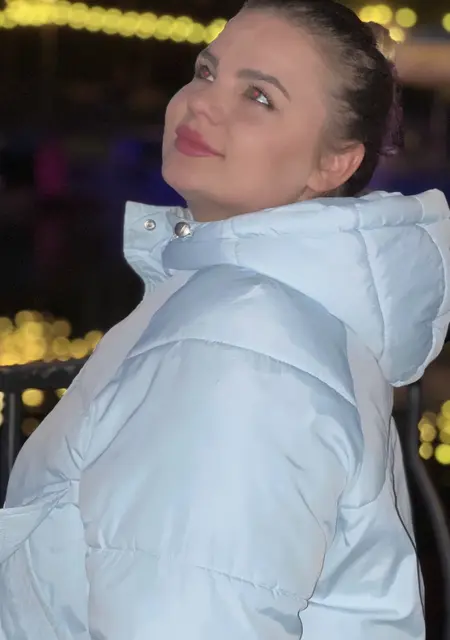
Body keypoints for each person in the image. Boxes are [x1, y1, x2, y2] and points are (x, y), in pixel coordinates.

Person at [1, 1, 450, 638]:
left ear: (334, 163)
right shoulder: (271, 311)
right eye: (206, 71)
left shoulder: (240, 345)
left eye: (259, 97)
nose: (202, 104)